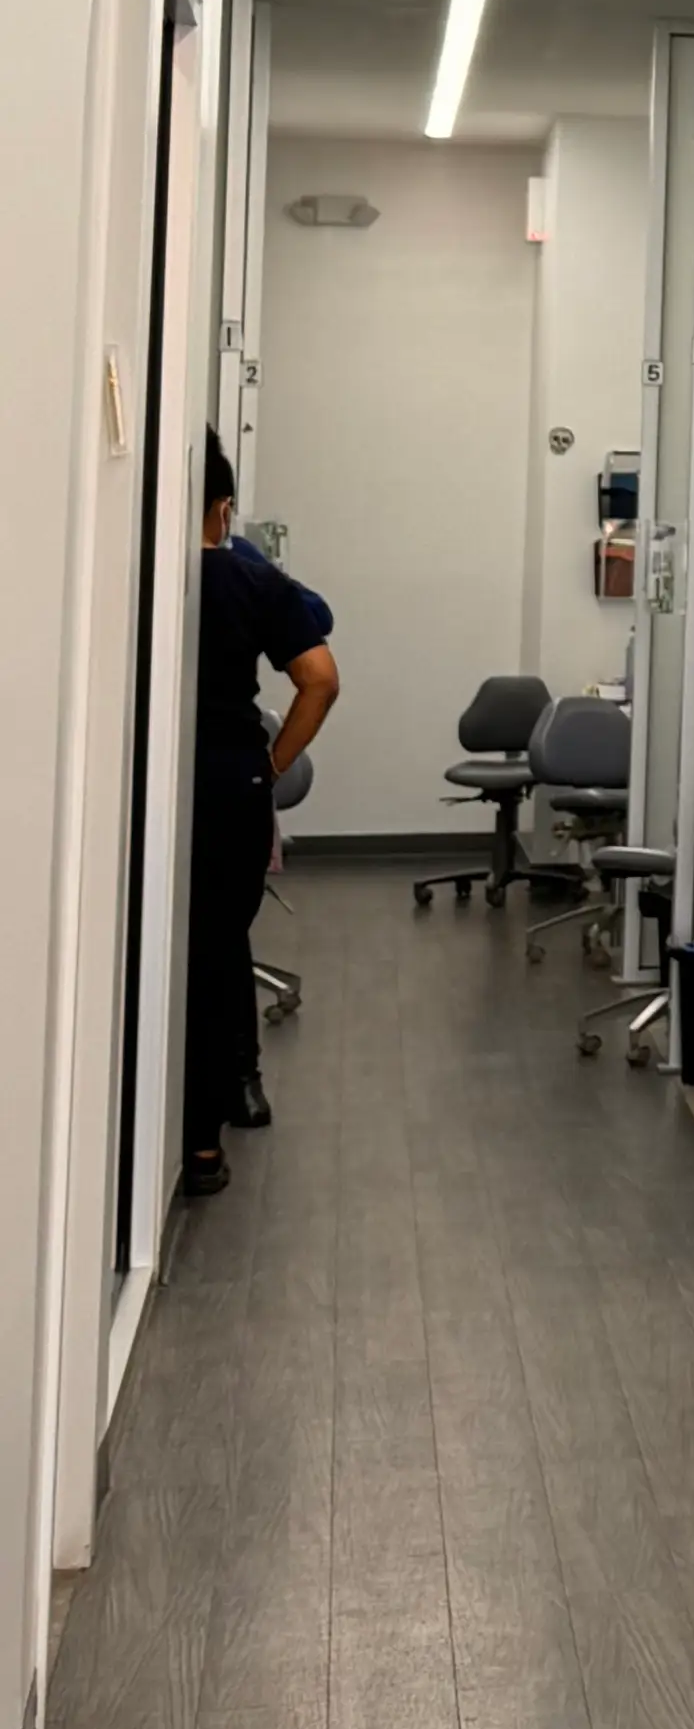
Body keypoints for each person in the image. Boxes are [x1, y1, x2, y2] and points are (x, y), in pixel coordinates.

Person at [182, 435, 337, 1197]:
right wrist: (272, 764)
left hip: (158, 779)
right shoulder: (249, 577)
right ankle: (203, 1143)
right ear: (224, 507)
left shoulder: (137, 572)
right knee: (218, 951)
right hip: (229, 782)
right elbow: (320, 678)